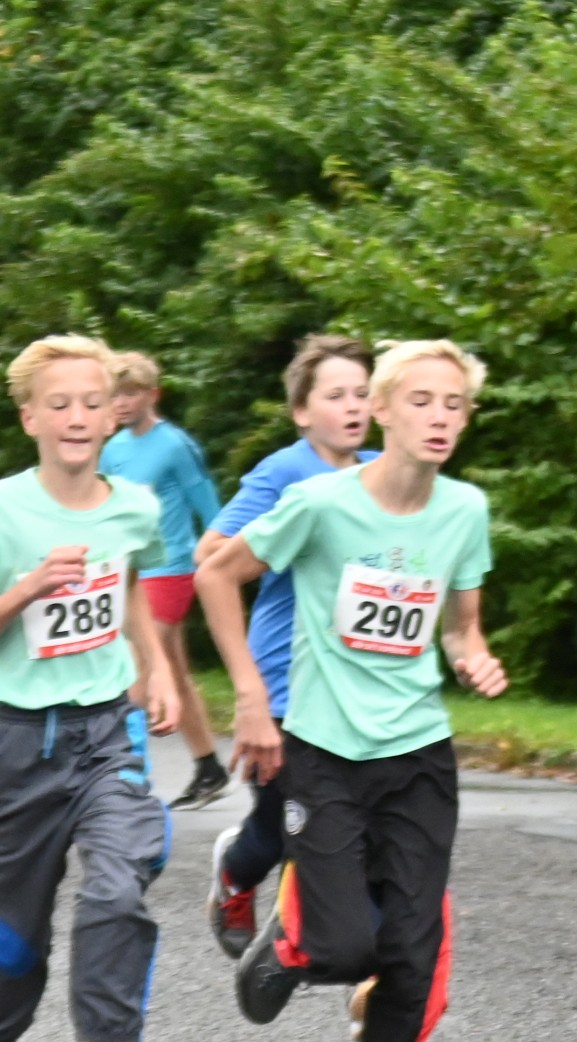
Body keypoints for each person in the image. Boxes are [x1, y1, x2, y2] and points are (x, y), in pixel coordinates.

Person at [196, 338, 504, 1042]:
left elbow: (460, 626)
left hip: (418, 756)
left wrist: (473, 656)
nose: (440, 418)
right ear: (385, 410)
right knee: (343, 945)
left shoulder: (464, 510)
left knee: (412, 954)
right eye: (423, 401)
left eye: (455, 405)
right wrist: (251, 698)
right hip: (324, 752)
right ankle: (293, 947)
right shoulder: (320, 503)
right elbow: (217, 574)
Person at [0, 333, 181, 1042]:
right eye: (60, 403)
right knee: (16, 949)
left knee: (120, 888)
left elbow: (132, 589)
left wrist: (156, 670)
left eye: (92, 402)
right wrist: (29, 588)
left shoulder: (134, 505)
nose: (77, 416)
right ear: (30, 418)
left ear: (114, 415)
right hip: (17, 744)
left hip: (107, 732)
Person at [192, 333, 378, 962]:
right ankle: (235, 875)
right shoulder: (285, 472)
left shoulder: (385, 473)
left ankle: (328, 945)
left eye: (362, 393)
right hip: (284, 678)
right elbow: (210, 554)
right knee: (278, 827)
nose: (352, 406)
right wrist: (294, 547)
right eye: (335, 395)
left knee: (353, 823)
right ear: (302, 411)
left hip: (354, 683)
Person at [100, 352, 228, 807]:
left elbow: (210, 507)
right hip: (131, 572)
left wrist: (219, 561)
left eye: (131, 393)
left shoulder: (175, 445)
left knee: (138, 671)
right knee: (171, 670)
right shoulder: (112, 449)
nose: (121, 402)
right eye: (115, 394)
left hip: (172, 568)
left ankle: (120, 777)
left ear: (153, 395)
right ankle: (209, 767)